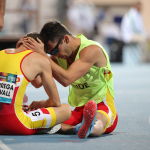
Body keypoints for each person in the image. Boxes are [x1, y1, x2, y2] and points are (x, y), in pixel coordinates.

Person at [22, 20, 118, 139]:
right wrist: (26, 54)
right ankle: (78, 128)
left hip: (102, 106)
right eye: (50, 53)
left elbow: (67, 79)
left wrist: (43, 57)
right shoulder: (57, 56)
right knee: (46, 121)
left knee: (98, 120)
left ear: (66, 39)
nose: (54, 56)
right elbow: (38, 82)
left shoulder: (92, 50)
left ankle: (91, 126)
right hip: (79, 111)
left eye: (55, 51)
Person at [0, 32, 71, 135]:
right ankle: (50, 127)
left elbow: (37, 83)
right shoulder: (40, 60)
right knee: (65, 109)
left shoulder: (2, 53)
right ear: (40, 49)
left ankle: (51, 126)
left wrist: (18, 50)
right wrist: (39, 104)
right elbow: (55, 102)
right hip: (16, 123)